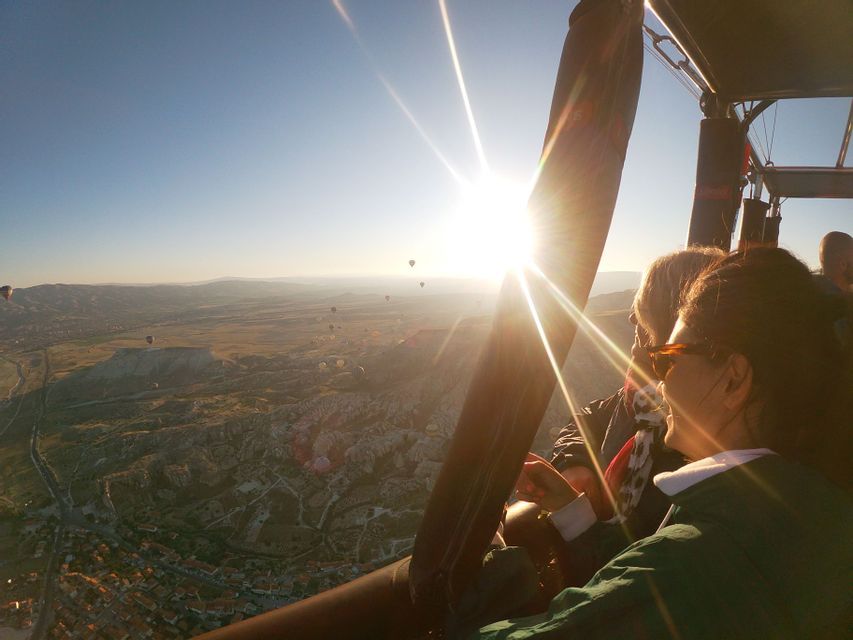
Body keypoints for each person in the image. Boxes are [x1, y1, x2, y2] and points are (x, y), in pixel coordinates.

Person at [474, 248, 853, 639]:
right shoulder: (802, 501)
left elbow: (654, 581)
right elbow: (639, 582)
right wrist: (570, 507)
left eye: (668, 359)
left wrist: (491, 564)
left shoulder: (702, 555)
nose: (662, 382)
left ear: (734, 380)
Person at [547, 247, 724, 558]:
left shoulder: (691, 438)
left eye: (644, 309)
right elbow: (588, 418)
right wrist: (575, 461)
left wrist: (568, 510)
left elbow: (630, 566)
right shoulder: (641, 398)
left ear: (676, 320)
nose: (631, 318)